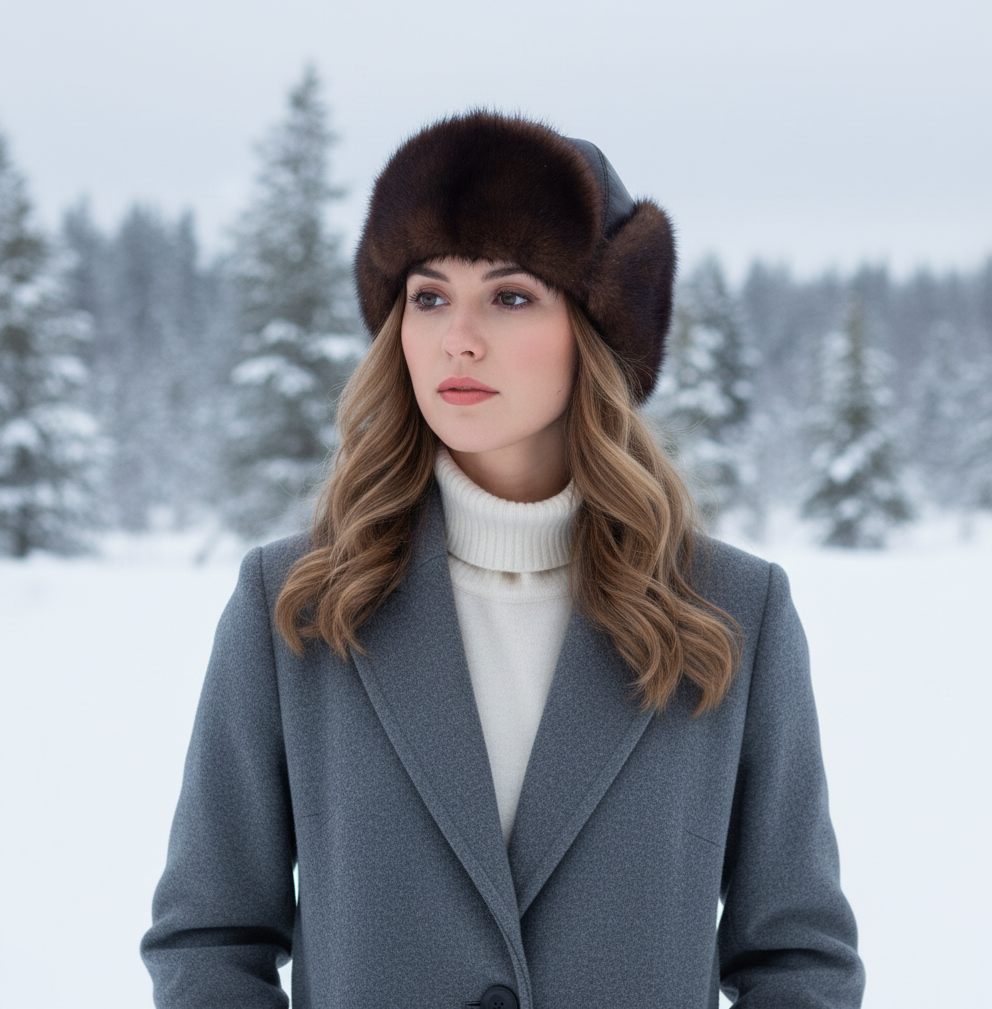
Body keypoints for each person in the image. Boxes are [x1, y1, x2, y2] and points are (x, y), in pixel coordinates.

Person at [141, 112, 865, 1009]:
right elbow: (209, 939)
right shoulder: (292, 605)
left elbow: (798, 958)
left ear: (597, 328)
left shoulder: (733, 611)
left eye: (510, 296)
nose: (459, 338)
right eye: (429, 297)